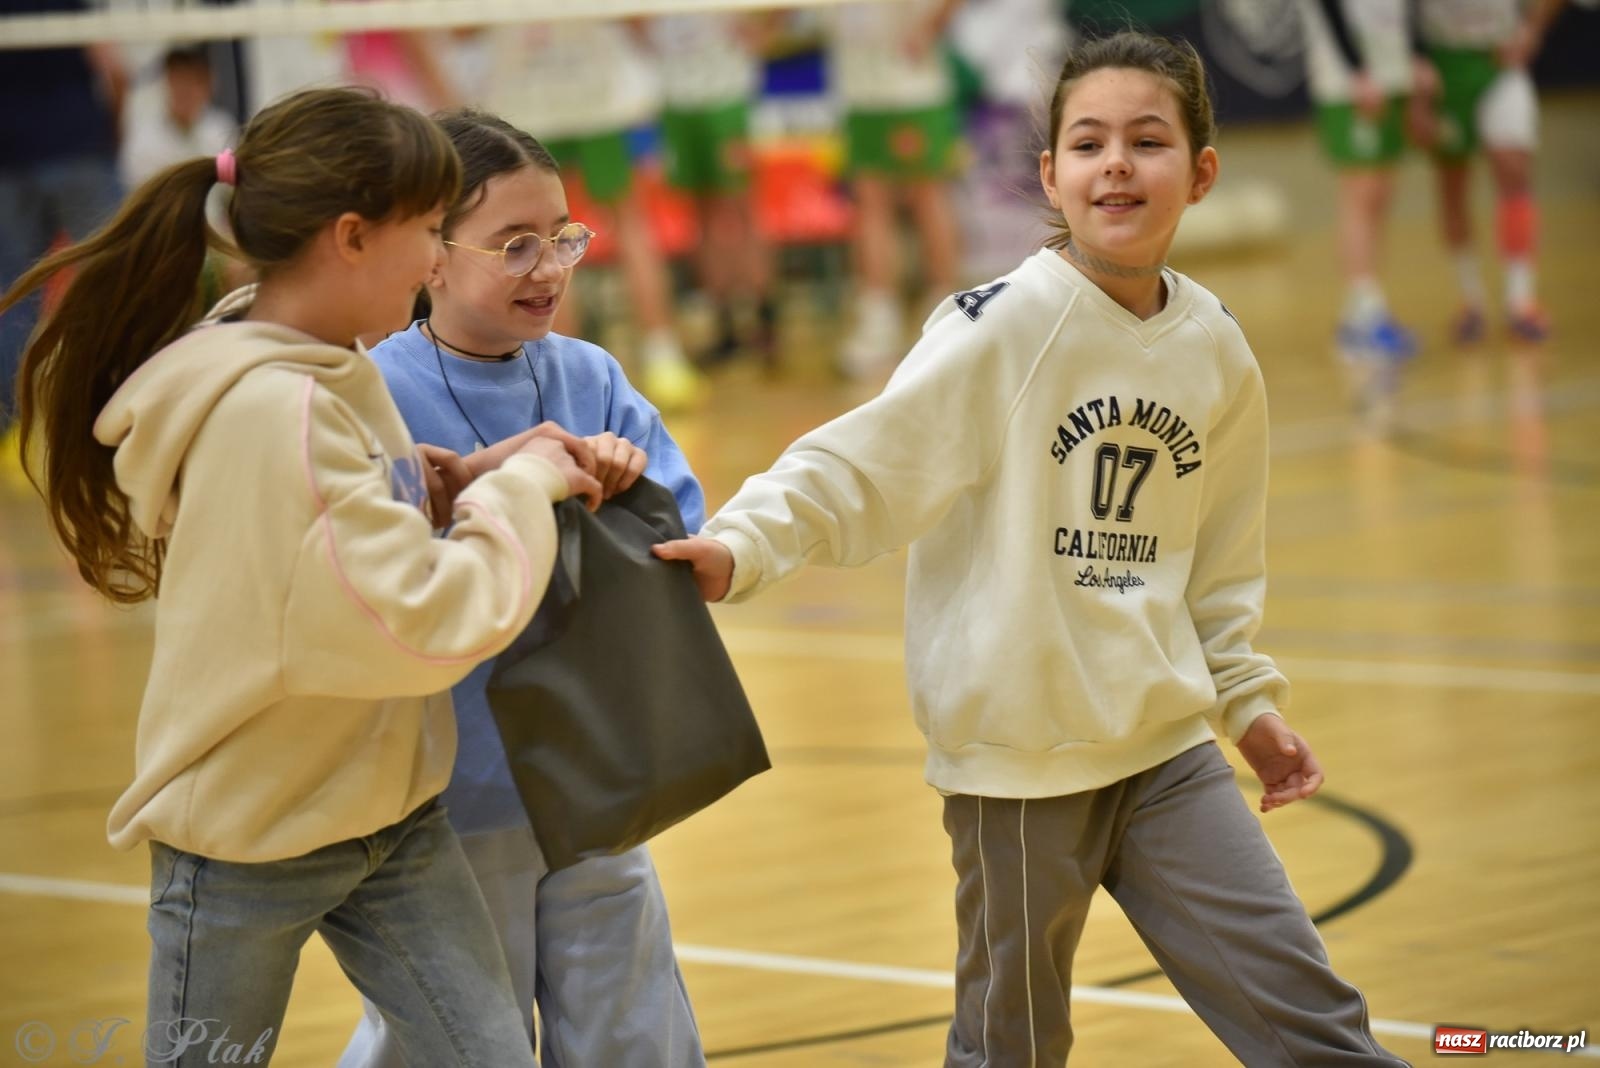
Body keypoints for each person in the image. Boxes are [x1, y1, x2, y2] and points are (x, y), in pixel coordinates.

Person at [654, 32, 1407, 1066]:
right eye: (1087, 142)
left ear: (1200, 172)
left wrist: (1246, 702)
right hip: (1017, 770)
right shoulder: (998, 328)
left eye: (1146, 141)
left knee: (1310, 1017)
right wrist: (739, 546)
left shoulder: (1217, 350)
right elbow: (859, 466)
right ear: (1049, 172)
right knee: (1009, 1047)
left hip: (1166, 751)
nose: (1115, 164)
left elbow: (1218, 567)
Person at [0, 86, 602, 1068]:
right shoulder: (275, 410)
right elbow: (418, 620)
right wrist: (524, 490)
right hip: (249, 839)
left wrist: (454, 487)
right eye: (425, 230)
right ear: (353, 236)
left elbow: (337, 540)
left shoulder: (325, 366)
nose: (433, 259)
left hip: (387, 817)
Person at [338, 107, 707, 1068]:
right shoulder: (365, 391)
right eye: (515, 245)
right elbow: (360, 561)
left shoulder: (591, 373)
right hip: (455, 792)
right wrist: (485, 482)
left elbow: (686, 535)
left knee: (633, 1030)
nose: (549, 267)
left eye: (563, 238)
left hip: (595, 775)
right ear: (431, 254)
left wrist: (635, 485)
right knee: (459, 1036)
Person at [486, 19, 705, 411]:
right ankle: (661, 355)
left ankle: (556, 374)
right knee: (621, 225)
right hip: (575, 98)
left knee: (545, 240)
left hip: (552, 98)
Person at [0, 0, 126, 444]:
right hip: (78, 148)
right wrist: (112, 135)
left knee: (11, 301)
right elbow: (112, 66)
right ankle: (132, 413)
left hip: (11, 154)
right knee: (121, 284)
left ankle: (10, 436)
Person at [1409, 0, 1566, 342]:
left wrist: (1532, 28)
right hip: (1443, 63)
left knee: (1514, 167)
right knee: (1452, 182)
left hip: (1499, 57)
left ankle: (1521, 300)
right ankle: (1471, 300)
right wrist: (1413, 65)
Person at [826, 0, 967, 379]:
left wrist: (926, 29)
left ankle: (947, 319)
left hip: (912, 83)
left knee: (927, 196)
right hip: (858, 85)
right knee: (870, 200)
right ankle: (879, 322)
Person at [1298, 0, 1428, 363]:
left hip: (1393, 75)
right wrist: (1357, 71)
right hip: (1350, 84)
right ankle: (1363, 318)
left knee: (1380, 196)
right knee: (1361, 195)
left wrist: (1415, 56)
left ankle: (1365, 310)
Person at [120, 45, 237, 187]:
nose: (184, 90)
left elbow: (230, 188)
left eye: (192, 81)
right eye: (178, 80)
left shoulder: (222, 130)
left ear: (208, 85)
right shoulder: (144, 140)